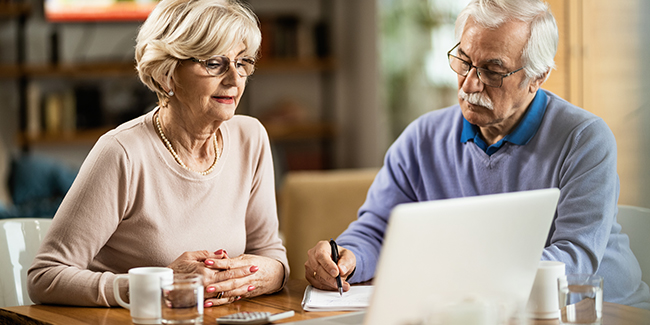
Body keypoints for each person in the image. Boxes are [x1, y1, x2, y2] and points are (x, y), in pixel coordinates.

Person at [305, 0, 650, 309]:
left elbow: (573, 260)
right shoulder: (422, 138)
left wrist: (462, 279)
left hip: (603, 310)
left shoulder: (583, 138)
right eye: (464, 61)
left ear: (537, 77)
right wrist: (347, 257)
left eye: (493, 71)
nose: (470, 84)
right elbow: (379, 229)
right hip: (483, 310)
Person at [28, 0, 289, 308]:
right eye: (214, 63)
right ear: (167, 74)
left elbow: (269, 252)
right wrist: (157, 284)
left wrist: (267, 274)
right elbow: (45, 277)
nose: (234, 79)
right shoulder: (122, 153)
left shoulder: (251, 138)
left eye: (242, 62)